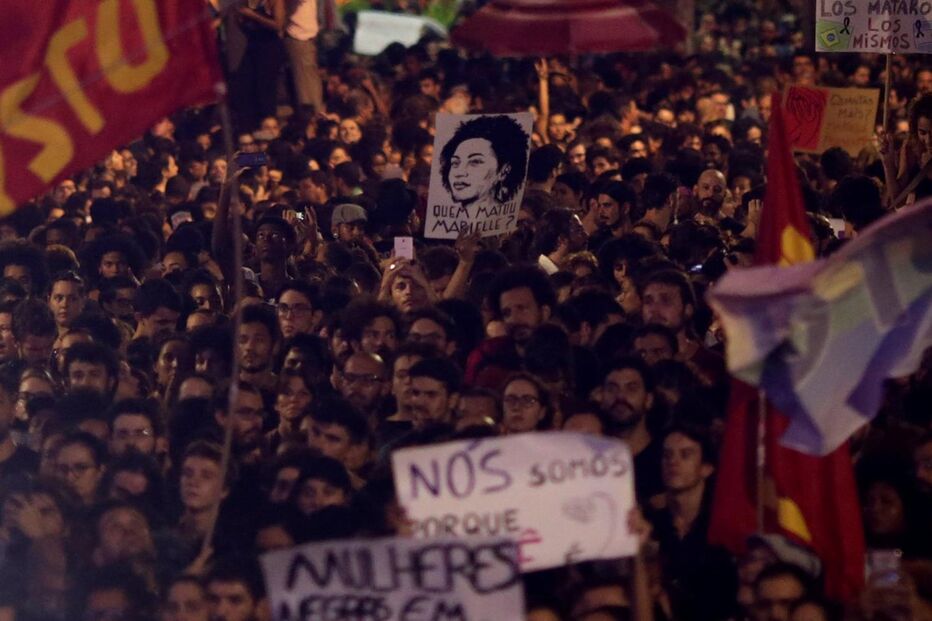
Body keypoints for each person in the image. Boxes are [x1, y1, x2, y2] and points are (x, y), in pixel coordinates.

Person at [438, 115, 531, 213]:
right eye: (455, 163)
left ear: (503, 171)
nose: (459, 172)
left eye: (475, 162)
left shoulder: (522, 221)